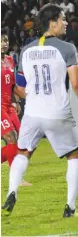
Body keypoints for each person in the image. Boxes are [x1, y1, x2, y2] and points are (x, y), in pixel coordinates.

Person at [2, 5, 78, 217]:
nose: (66, 23)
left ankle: (11, 191)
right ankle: (70, 207)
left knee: (23, 152)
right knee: (74, 156)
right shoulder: (67, 48)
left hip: (32, 114)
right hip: (57, 113)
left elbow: (21, 86)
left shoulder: (25, 50)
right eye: (63, 19)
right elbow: (76, 83)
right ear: (52, 22)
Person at [1, 34, 31, 186]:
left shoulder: (10, 60)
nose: (3, 43)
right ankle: (16, 178)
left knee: (21, 139)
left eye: (5, 40)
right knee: (11, 137)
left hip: (9, 105)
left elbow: (12, 86)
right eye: (1, 40)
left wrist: (20, 100)